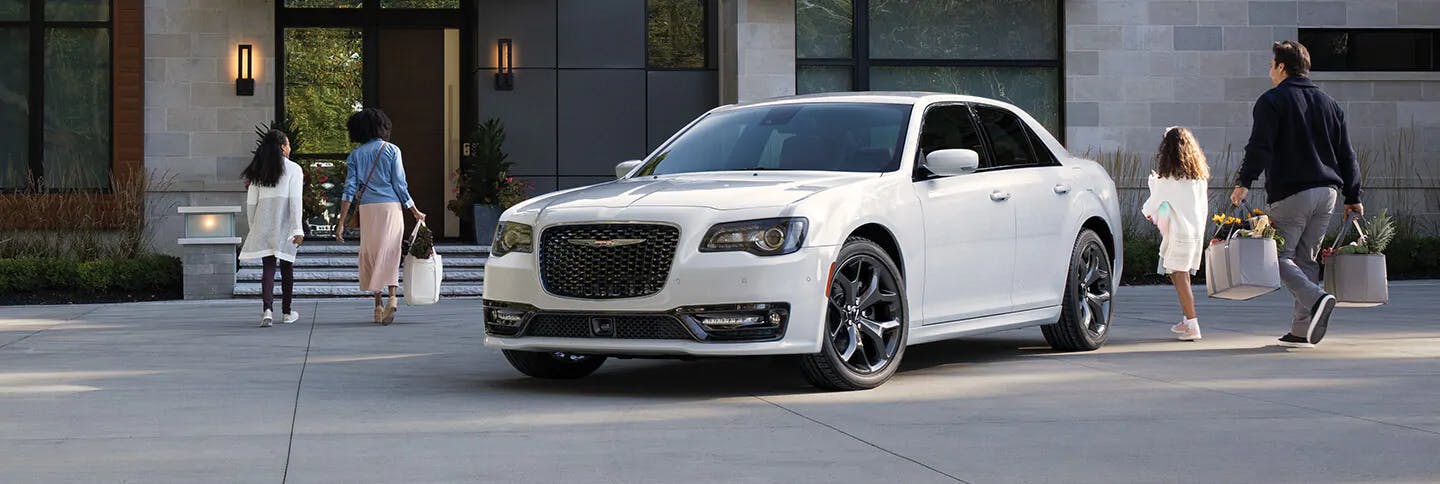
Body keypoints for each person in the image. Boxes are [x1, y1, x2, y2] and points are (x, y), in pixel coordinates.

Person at [1230, 40, 1363, 349]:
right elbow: (1348, 155)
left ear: (1281, 67)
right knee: (1306, 260)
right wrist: (1353, 196)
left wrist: (1244, 180)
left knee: (1275, 256)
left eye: (1271, 65)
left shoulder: (1272, 101)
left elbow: (1259, 146)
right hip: (1328, 193)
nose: (1269, 71)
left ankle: (1316, 300)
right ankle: (1302, 329)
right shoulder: (1330, 104)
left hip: (1293, 191)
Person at [334, 108, 426, 325]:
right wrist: (414, 211)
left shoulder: (356, 155)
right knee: (391, 252)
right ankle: (392, 297)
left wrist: (341, 223)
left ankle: (377, 305)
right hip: (391, 208)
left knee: (372, 253)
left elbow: (349, 190)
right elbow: (400, 185)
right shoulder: (392, 150)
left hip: (368, 209)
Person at [1142, 127, 1210, 341]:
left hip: (1178, 234)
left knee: (1179, 278)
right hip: (1194, 233)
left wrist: (1147, 211)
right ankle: (1187, 320)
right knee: (1184, 276)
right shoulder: (1199, 178)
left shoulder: (1169, 179)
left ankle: (1192, 324)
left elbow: (1155, 202)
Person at [238, 130, 305, 328]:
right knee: (287, 268)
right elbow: (295, 201)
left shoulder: (258, 170)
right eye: (289, 144)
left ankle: (267, 311)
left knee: (268, 267)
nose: (290, 148)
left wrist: (254, 228)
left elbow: (251, 204)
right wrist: (297, 229)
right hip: (285, 225)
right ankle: (286, 312)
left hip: (263, 224)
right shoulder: (294, 169)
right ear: (283, 147)